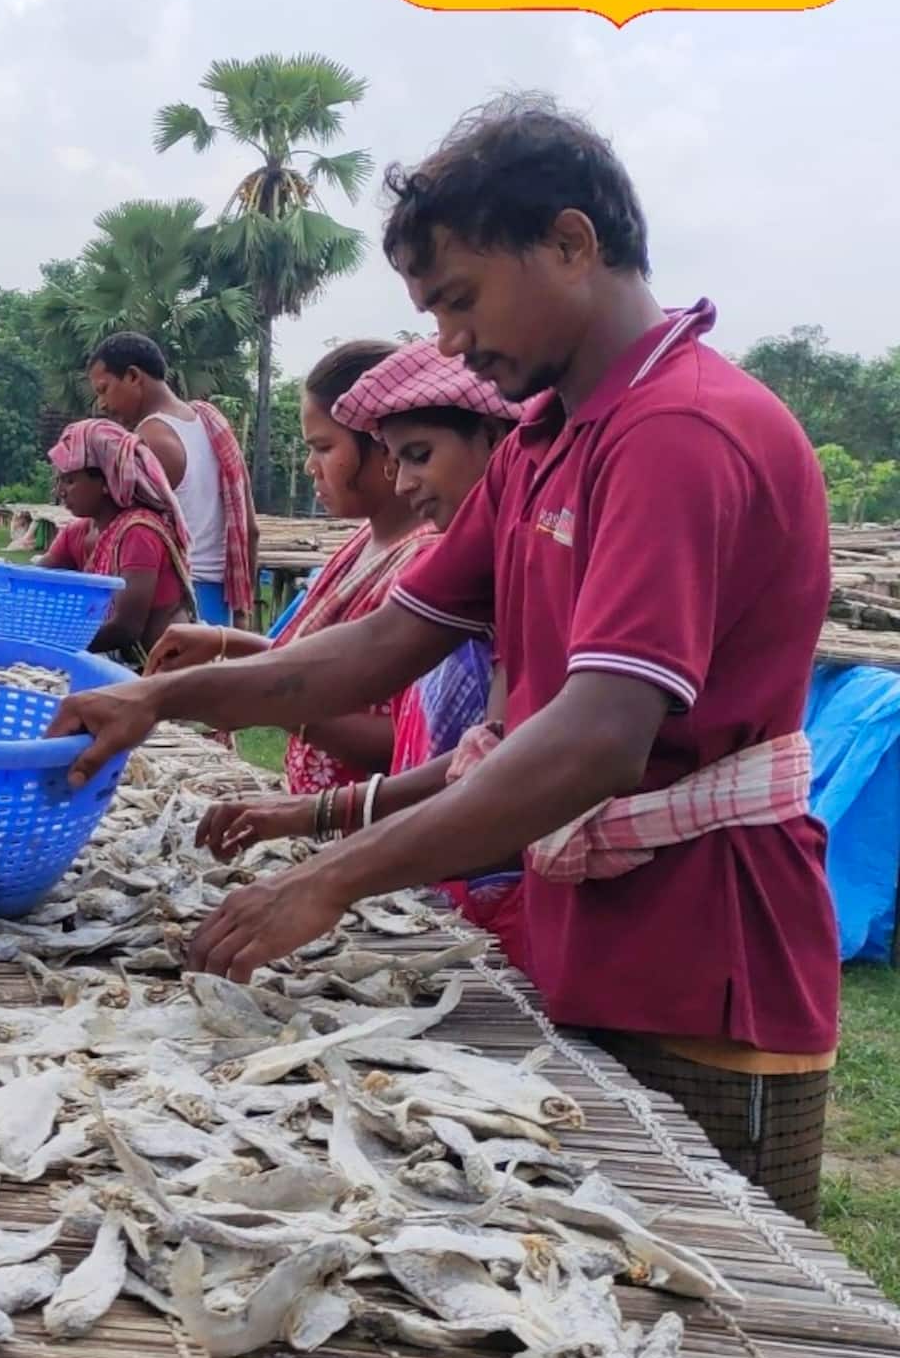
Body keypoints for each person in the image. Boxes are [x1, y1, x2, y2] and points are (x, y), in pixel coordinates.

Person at [47, 96, 840, 1224]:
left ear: (570, 242)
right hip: (581, 937)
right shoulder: (541, 446)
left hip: (703, 966)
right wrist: (155, 696)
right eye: (431, 313)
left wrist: (330, 873)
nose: (451, 343)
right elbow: (368, 650)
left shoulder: (677, 431)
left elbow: (597, 737)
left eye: (459, 301)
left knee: (683, 1281)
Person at [176, 337, 528, 961]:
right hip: (403, 858)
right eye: (400, 456)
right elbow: (362, 664)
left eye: (417, 455)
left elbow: (463, 763)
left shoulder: (456, 565)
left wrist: (317, 827)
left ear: (499, 442)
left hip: (466, 880)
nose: (403, 476)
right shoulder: (413, 556)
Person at [159, 341, 433, 795]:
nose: (311, 467)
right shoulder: (366, 540)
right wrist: (228, 643)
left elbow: (407, 740)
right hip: (311, 811)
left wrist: (265, 703)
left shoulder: (424, 563)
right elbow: (336, 665)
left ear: (387, 447)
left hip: (364, 830)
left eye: (324, 447)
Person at [86, 332, 258, 627]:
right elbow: (250, 529)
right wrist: (242, 611)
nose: (101, 403)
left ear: (133, 376)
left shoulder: (148, 442)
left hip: (172, 605)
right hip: (219, 604)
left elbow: (122, 537)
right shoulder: (213, 427)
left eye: (104, 389)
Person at [33, 419, 196, 667]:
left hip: (164, 670)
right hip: (123, 664)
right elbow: (34, 582)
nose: (61, 491)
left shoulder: (139, 533)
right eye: (60, 481)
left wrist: (46, 645)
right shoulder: (79, 533)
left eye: (70, 480)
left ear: (107, 482)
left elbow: (125, 629)